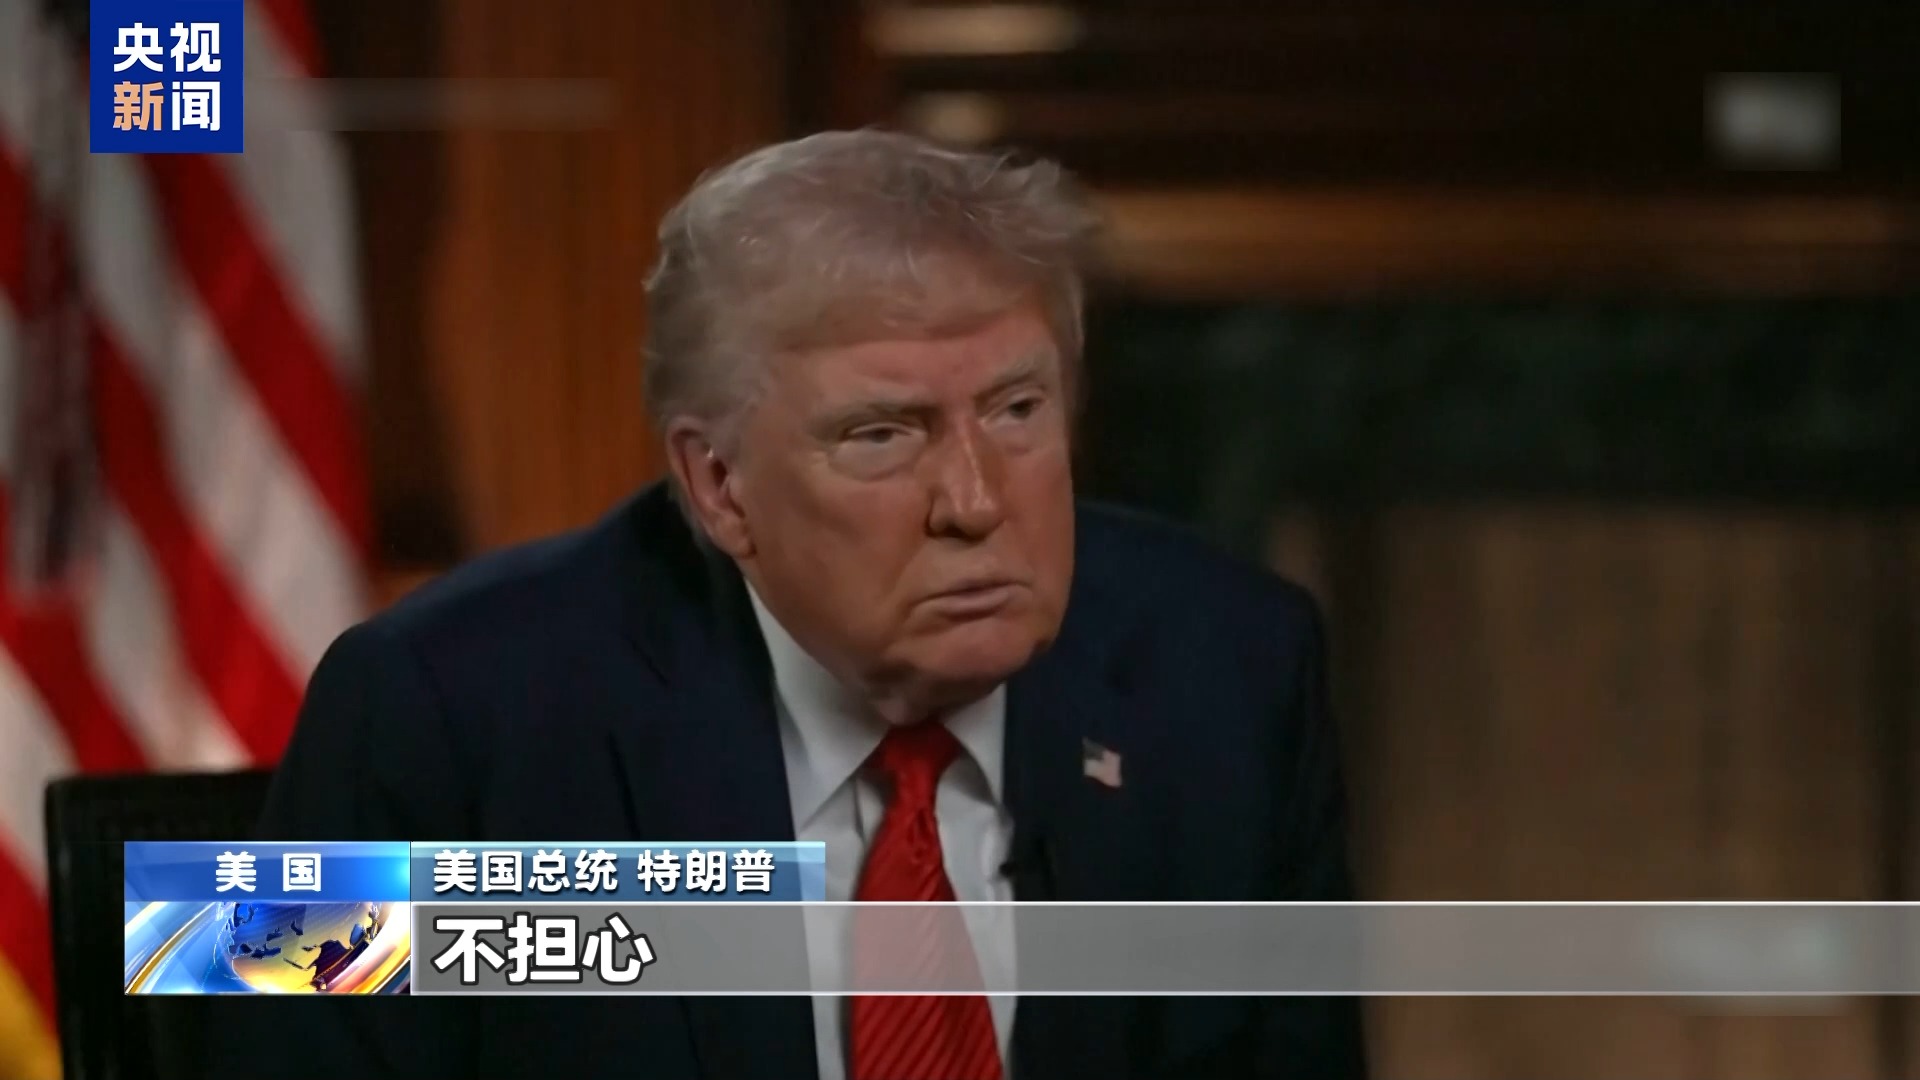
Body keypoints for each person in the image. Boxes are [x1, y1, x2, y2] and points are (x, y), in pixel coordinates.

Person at [218, 129, 1365, 1079]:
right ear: (721, 485)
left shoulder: (1230, 672)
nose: (976, 502)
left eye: (1018, 410)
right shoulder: (440, 712)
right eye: (883, 434)